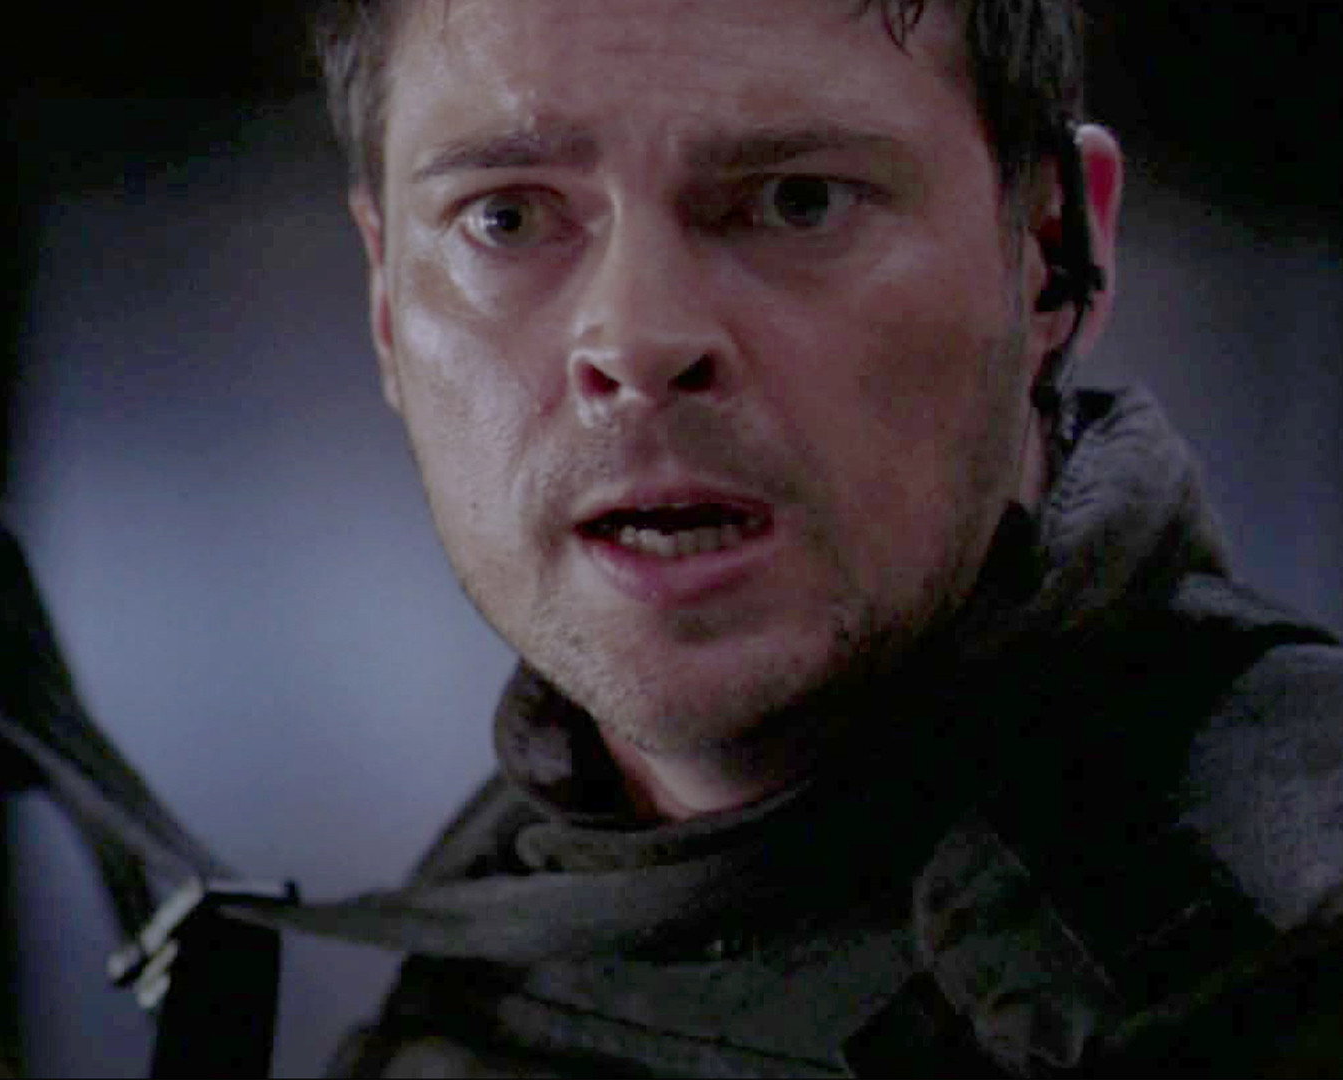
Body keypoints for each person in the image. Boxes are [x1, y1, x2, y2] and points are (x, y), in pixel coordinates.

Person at [308, 0, 1343, 1074]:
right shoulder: (490, 930)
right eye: (506, 219)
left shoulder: (1281, 943)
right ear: (384, 300)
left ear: (1052, 247)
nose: (638, 342)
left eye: (799, 202)